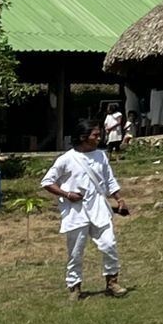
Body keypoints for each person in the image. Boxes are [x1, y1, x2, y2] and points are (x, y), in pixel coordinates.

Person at [41, 118, 129, 299]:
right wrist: (67, 195)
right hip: (76, 211)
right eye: (95, 135)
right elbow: (47, 182)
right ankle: (74, 286)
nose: (99, 138)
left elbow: (109, 180)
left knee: (109, 244)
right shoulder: (66, 159)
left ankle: (112, 282)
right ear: (83, 137)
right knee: (76, 251)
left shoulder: (101, 156)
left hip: (99, 207)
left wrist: (119, 199)